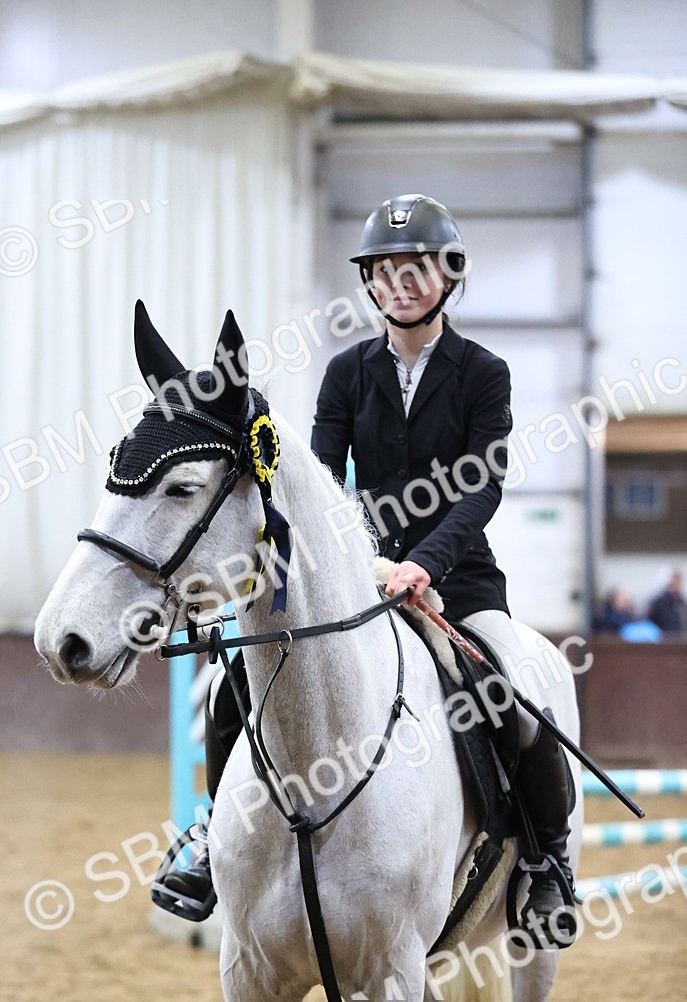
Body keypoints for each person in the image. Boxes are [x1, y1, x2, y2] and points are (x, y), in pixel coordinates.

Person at [162, 194, 577, 942]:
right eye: (385, 272)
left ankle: (548, 862)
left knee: (512, 693)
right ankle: (206, 838)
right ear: (371, 283)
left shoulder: (485, 372)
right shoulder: (347, 373)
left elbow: (482, 484)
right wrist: (360, 560)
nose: (399, 283)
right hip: (361, 576)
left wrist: (424, 564)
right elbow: (320, 480)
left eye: (415, 269)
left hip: (461, 580)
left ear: (447, 276)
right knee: (239, 684)